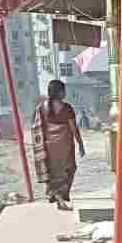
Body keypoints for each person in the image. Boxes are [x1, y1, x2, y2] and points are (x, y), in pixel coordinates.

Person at [32, 79, 84, 210]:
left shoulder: (41, 108)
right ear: (60, 92)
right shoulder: (67, 108)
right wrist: (80, 144)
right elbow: (74, 128)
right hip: (65, 147)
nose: (65, 93)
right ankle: (60, 198)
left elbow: (37, 128)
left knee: (53, 174)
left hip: (48, 148)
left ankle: (56, 196)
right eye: (63, 91)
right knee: (68, 170)